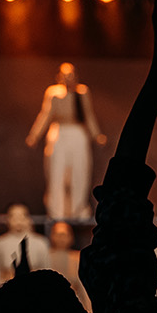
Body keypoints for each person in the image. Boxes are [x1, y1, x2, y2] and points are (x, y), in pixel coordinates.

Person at [25, 62, 106, 221]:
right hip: (59, 132)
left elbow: (88, 115)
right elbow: (46, 115)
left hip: (77, 132)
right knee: (56, 171)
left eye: (72, 75)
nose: (69, 78)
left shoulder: (82, 92)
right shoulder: (53, 92)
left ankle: (78, 210)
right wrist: (35, 134)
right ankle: (57, 212)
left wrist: (96, 134)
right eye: (65, 75)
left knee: (80, 171)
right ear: (59, 76)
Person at [0, 203, 50, 283]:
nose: (18, 220)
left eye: (22, 216)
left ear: (28, 219)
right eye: (14, 217)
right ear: (7, 220)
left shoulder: (41, 242)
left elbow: (46, 271)